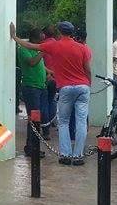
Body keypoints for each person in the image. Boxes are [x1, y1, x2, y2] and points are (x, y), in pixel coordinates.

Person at [12, 20, 91, 165]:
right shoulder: (83, 48)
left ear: (60, 32)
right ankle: (78, 156)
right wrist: (88, 84)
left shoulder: (54, 45)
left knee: (64, 122)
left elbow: (30, 45)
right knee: (81, 122)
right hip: (83, 87)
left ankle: (65, 155)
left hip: (66, 88)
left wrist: (15, 37)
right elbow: (87, 69)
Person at [16, 28, 48, 158]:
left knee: (39, 117)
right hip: (31, 87)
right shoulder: (24, 49)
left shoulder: (36, 49)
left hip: (40, 86)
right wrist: (43, 51)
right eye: (41, 39)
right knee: (34, 118)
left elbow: (40, 65)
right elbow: (32, 62)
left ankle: (33, 146)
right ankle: (32, 148)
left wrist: (49, 72)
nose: (42, 42)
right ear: (34, 39)